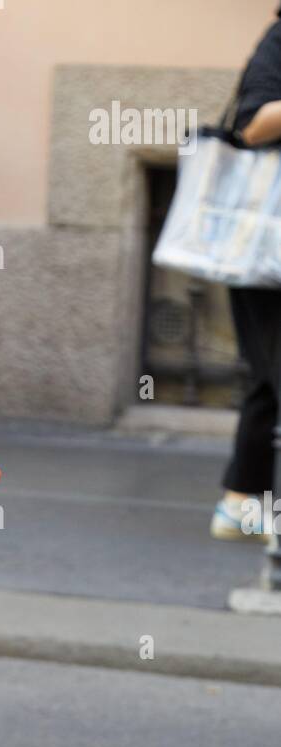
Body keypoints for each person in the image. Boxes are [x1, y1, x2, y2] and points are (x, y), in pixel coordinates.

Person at [211, 4, 281, 542]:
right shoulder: (279, 39)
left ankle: (241, 503)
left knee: (267, 376)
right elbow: (251, 124)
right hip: (265, 243)